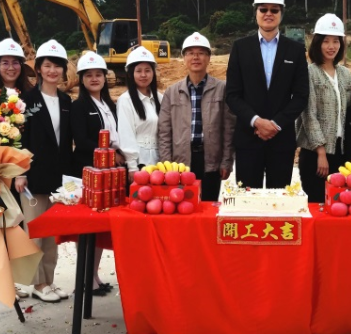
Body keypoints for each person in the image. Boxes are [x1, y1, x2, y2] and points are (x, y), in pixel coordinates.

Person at [225, 0, 309, 189]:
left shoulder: (295, 50)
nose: (268, 14)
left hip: (281, 140)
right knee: (247, 200)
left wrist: (276, 124)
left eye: (274, 10)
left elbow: (300, 96)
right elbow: (233, 95)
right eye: (263, 9)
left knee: (279, 201)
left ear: (281, 13)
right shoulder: (240, 48)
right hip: (248, 139)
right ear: (256, 13)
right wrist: (256, 121)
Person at [14, 39, 73, 303]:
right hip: (33, 177)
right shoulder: (26, 101)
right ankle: (37, 283)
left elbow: (66, 142)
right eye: (47, 65)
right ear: (38, 68)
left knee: (51, 234)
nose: (52, 71)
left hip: (58, 178)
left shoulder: (66, 100)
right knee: (35, 232)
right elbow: (19, 139)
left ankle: (48, 279)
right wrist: (20, 172)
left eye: (57, 66)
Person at [70, 51, 124, 296]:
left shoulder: (110, 104)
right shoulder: (79, 106)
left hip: (108, 175)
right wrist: (111, 154)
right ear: (81, 79)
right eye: (88, 75)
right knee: (87, 227)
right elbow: (81, 141)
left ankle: (94, 276)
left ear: (105, 77)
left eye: (98, 74)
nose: (94, 79)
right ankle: (84, 280)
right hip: (89, 174)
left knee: (100, 227)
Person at [157, 32, 235, 201]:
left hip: (211, 160)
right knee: (182, 204)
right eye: (191, 53)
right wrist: (166, 164)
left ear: (208, 58)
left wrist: (226, 161)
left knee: (208, 204)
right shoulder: (172, 92)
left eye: (201, 53)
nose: (196, 57)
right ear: (184, 58)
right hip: (180, 162)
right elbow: (164, 132)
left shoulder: (222, 89)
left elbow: (228, 129)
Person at [0, 37, 35, 299]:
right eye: (5, 62)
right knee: (1, 228)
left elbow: (30, 139)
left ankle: (13, 279)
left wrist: (21, 171)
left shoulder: (30, 96)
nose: (10, 67)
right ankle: (3, 281)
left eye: (15, 62)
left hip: (21, 175)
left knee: (17, 228)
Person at [296, 14, 351, 202]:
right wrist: (321, 152)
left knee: (340, 204)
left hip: (340, 151)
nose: (331, 46)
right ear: (317, 43)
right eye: (326, 41)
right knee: (317, 202)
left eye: (336, 41)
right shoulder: (309, 73)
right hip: (315, 154)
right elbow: (308, 115)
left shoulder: (345, 74)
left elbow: (349, 111)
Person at [117, 46, 163, 181]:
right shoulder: (126, 100)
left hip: (159, 161)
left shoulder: (160, 98)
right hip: (139, 163)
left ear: (153, 73)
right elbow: (126, 134)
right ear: (131, 74)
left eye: (147, 70)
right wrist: (132, 166)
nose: (143, 75)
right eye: (138, 71)